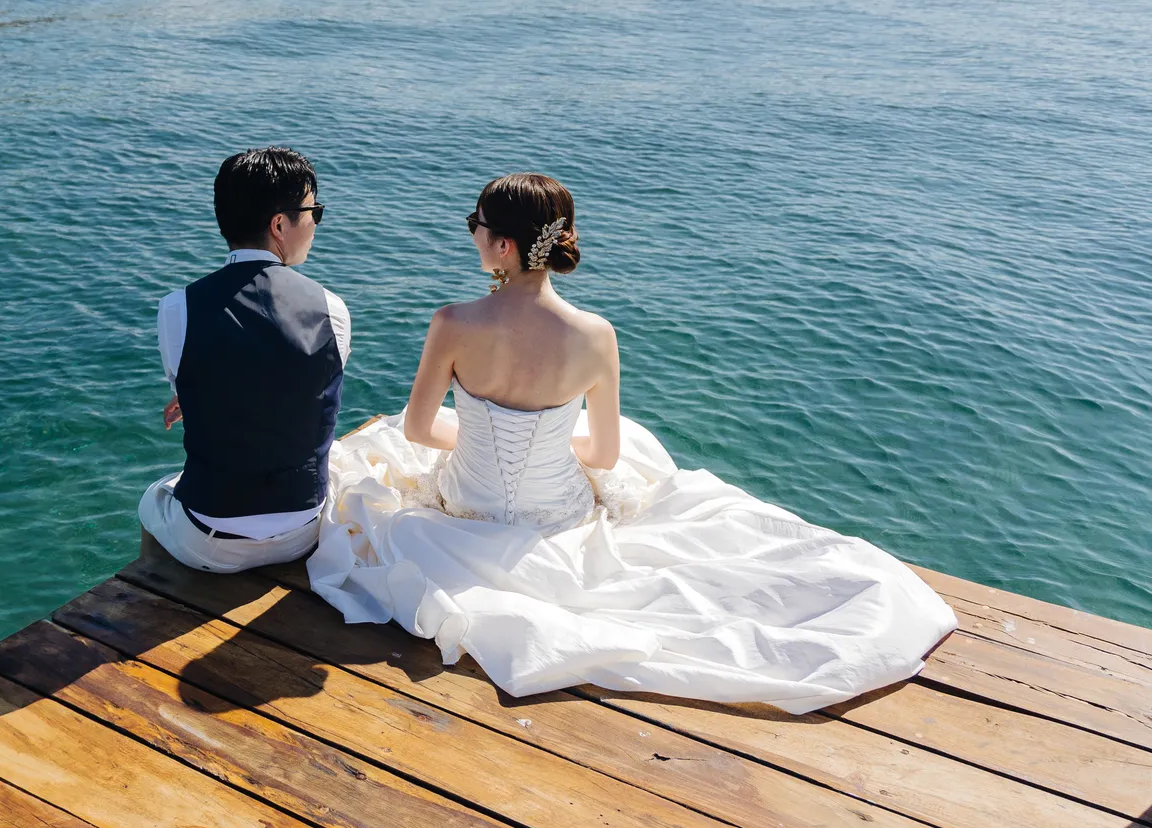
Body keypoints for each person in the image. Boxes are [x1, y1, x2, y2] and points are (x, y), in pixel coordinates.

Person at [307, 172, 957, 713]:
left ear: (502, 245)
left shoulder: (453, 323)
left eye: (475, 224)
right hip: (555, 513)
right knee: (628, 451)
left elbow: (421, 431)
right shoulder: (595, 335)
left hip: (466, 505)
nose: (472, 234)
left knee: (389, 450)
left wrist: (475, 433)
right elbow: (605, 455)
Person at [138, 147, 349, 573]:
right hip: (302, 530)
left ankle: (156, 592)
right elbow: (307, 393)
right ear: (278, 225)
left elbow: (196, 380)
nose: (314, 223)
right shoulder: (332, 309)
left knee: (153, 499)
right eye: (313, 211)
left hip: (210, 542)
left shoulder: (177, 308)